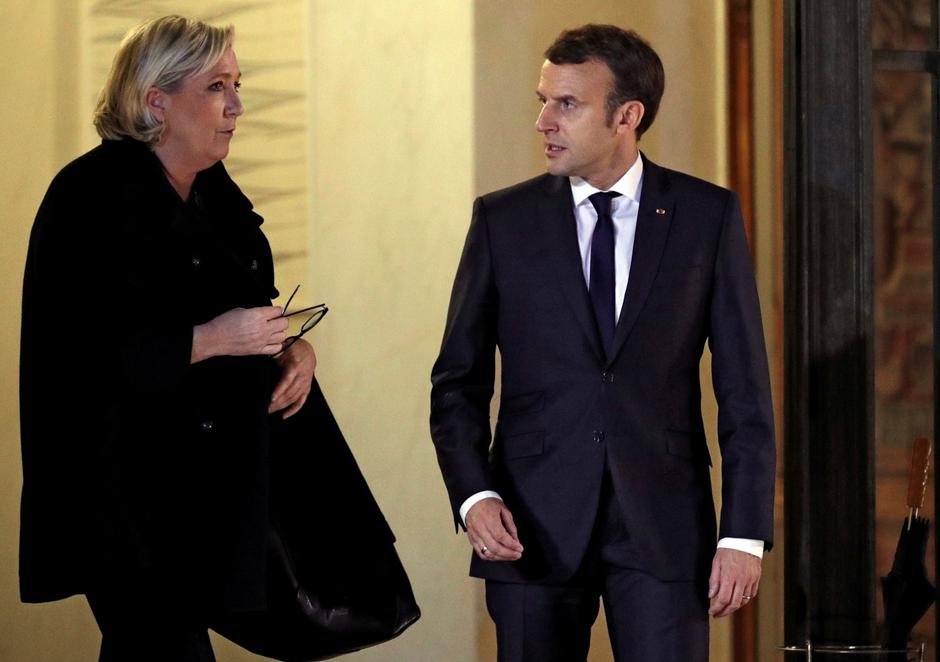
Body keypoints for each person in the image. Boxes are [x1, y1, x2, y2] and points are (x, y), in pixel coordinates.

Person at [430, 24, 775, 661]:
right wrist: (475, 496)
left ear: (627, 116)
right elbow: (457, 382)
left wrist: (743, 535)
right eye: (543, 100)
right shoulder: (503, 221)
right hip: (529, 526)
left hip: (664, 528)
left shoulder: (706, 217)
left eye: (567, 104)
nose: (543, 121)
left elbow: (745, 391)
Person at [19, 16, 317, 661]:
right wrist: (208, 339)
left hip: (204, 497)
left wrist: (292, 349)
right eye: (216, 87)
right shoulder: (88, 195)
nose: (237, 106)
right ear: (157, 101)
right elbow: (70, 361)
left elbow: (249, 308)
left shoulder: (214, 193)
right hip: (122, 499)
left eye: (237, 85)